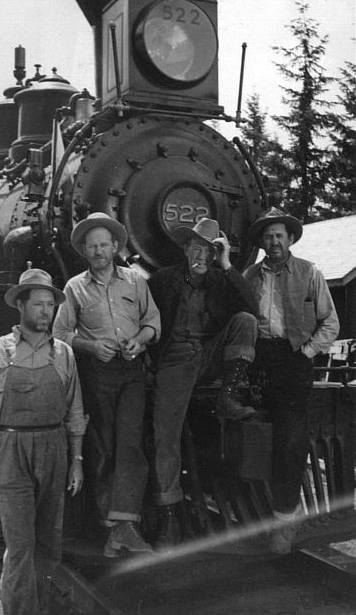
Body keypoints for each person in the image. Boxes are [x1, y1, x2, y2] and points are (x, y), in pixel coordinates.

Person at [0, 268, 87, 615]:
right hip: (10, 450)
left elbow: (75, 414)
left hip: (54, 447)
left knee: (49, 545)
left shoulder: (64, 353)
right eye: (38, 305)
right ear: (21, 306)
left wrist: (76, 461)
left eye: (51, 304)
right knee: (20, 547)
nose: (46, 311)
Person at [52, 212, 161, 558]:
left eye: (104, 244)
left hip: (131, 372)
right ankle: (110, 528)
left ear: (115, 246)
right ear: (84, 251)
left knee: (130, 445)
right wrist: (90, 346)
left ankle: (125, 527)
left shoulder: (135, 281)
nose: (98, 251)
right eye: (92, 246)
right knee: (101, 448)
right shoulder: (74, 287)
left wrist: (141, 340)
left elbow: (153, 322)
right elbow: (60, 333)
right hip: (96, 374)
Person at [147, 217, 259, 549]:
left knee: (246, 321)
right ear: (185, 248)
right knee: (165, 435)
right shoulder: (162, 280)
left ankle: (228, 396)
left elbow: (252, 309)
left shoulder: (219, 279)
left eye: (208, 251)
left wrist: (226, 266)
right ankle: (168, 517)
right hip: (174, 360)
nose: (201, 256)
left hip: (208, 355)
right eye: (196, 248)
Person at [243, 207, 340, 555]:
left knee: (289, 440)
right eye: (268, 236)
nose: (274, 241)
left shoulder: (309, 273)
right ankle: (259, 513)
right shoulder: (250, 275)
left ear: (291, 238)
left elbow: (330, 322)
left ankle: (286, 517)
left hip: (295, 360)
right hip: (258, 361)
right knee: (256, 439)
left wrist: (308, 352)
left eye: (280, 235)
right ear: (262, 242)